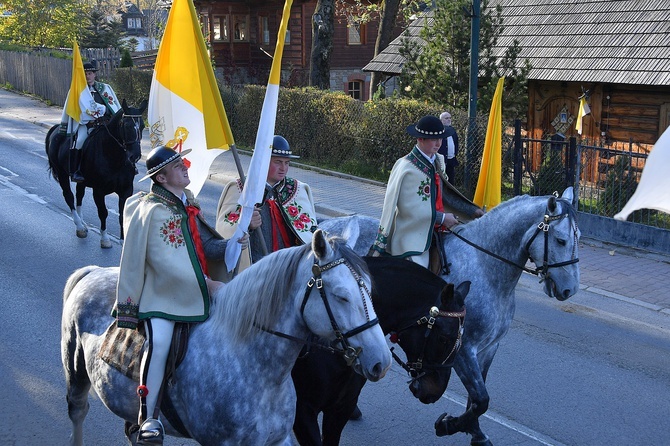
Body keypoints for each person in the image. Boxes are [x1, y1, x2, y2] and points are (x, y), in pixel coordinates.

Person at [114, 146, 247, 444]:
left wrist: (236, 238)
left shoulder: (188, 204)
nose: (185, 167)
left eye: (183, 162)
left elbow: (208, 248)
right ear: (161, 178)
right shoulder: (151, 210)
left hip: (198, 287)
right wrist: (207, 284)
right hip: (160, 295)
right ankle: (147, 418)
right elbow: (164, 263)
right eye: (177, 166)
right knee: (159, 343)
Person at [371, 115, 483, 271]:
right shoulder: (406, 167)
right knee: (419, 272)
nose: (438, 143)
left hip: (437, 228)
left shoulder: (438, 160)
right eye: (433, 139)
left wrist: (472, 210)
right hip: (411, 232)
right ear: (420, 139)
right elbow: (409, 209)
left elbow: (445, 194)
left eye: (440, 139)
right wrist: (442, 218)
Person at [214, 135, 317, 274]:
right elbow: (224, 228)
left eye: (287, 163)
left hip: (288, 269)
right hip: (255, 270)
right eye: (278, 162)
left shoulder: (298, 190)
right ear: (262, 161)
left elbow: (309, 231)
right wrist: (245, 224)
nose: (283, 168)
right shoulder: (240, 189)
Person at [60, 61, 121, 182]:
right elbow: (73, 108)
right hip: (86, 125)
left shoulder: (105, 88)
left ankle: (127, 166)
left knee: (120, 140)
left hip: (104, 125)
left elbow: (113, 107)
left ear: (94, 74)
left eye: (90, 73)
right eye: (85, 74)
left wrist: (105, 113)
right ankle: (76, 170)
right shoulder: (77, 91)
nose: (88, 76)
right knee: (80, 141)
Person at [438, 111, 459, 185]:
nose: (449, 119)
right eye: (446, 118)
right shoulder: (438, 131)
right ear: (441, 120)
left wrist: (455, 154)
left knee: (451, 181)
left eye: (450, 118)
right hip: (441, 161)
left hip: (451, 160)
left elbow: (456, 143)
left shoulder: (452, 131)